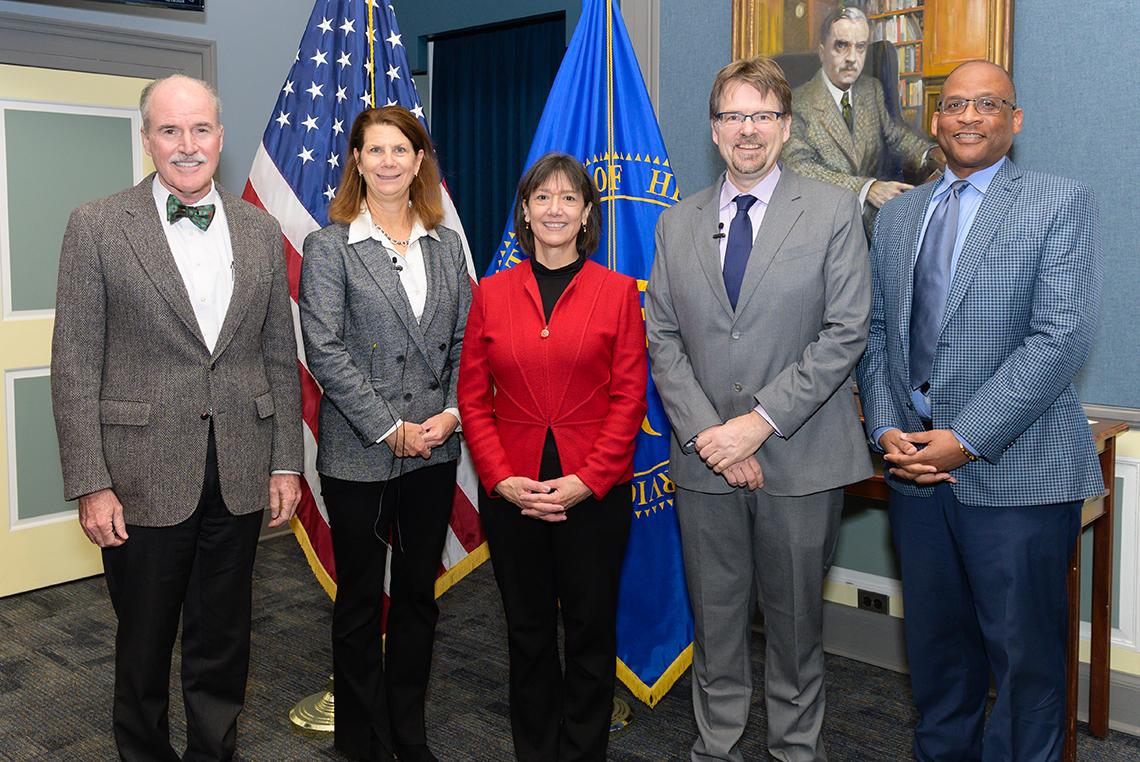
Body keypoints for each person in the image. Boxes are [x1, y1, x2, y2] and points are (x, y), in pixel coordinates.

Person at [855, 60, 1104, 761]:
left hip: (1018, 476)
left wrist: (963, 439)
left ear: (1014, 120)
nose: (969, 116)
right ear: (935, 121)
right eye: (955, 104)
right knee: (938, 663)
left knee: (1024, 671)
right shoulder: (900, 215)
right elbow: (877, 336)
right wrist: (884, 428)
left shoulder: (1058, 201)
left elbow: (1061, 338)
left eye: (987, 104)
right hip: (916, 479)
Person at [50, 74, 303, 761]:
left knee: (222, 643)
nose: (186, 146)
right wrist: (90, 482)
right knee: (143, 646)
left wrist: (285, 461)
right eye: (170, 130)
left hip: (241, 470)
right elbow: (74, 366)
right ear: (147, 140)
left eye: (199, 130)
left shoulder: (260, 228)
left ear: (220, 137)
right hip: (138, 479)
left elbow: (277, 357)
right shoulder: (97, 226)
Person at [645, 58, 872, 762]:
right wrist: (716, 436)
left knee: (796, 626)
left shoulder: (833, 212)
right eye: (733, 116)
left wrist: (757, 424)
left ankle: (796, 750)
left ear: (787, 127)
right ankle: (715, 745)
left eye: (763, 115)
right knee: (715, 625)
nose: (748, 130)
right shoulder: (676, 224)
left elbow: (846, 332)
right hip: (706, 461)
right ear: (714, 131)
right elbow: (663, 335)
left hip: (800, 459)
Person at [457, 152, 647, 761]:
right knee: (528, 634)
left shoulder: (617, 293)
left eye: (569, 198)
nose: (556, 209)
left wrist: (588, 481)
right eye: (543, 198)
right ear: (526, 211)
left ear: (588, 212)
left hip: (594, 495)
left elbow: (629, 396)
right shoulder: (490, 293)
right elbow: (472, 396)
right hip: (513, 494)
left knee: (590, 635)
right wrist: (498, 477)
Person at [298, 105, 470, 762]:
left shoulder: (447, 244)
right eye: (376, 150)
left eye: (402, 149)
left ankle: (409, 733)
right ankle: (362, 742)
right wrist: (387, 426)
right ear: (358, 161)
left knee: (419, 599)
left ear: (420, 159)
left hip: (434, 447)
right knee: (361, 602)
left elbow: (463, 343)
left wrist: (451, 414)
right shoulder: (329, 245)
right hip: (360, 454)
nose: (390, 161)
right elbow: (324, 348)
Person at [783, 6, 942, 230]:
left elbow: (895, 137)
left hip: (872, 219)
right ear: (821, 51)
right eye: (841, 45)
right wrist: (866, 188)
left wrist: (929, 154)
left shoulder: (871, 89)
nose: (852, 58)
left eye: (860, 47)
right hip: (821, 221)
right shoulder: (796, 102)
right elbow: (798, 167)